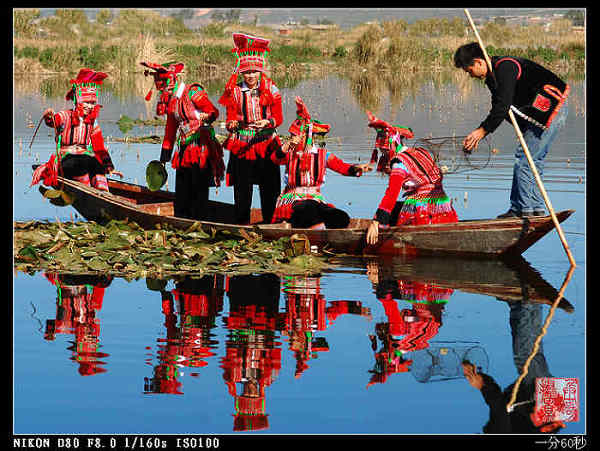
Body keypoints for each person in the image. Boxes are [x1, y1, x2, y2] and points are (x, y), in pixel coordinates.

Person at [454, 42, 570, 218]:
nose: (471, 76)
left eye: (469, 71)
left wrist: (483, 131)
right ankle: (535, 209)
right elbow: (500, 108)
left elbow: (503, 105)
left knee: (525, 160)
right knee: (532, 160)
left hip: (552, 110)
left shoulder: (505, 67)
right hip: (542, 116)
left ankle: (521, 210)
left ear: (478, 62)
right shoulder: (493, 79)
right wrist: (480, 130)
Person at [462, 301, 566, 434]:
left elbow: (499, 403)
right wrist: (482, 385)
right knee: (525, 357)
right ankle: (526, 303)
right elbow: (499, 410)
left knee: (533, 352)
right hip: (545, 407)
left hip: (552, 406)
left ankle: (530, 304)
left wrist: (483, 381)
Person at [271, 96, 371, 229]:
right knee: (309, 208)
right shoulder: (289, 152)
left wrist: (358, 168)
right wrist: (288, 144)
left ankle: (320, 227)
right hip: (293, 199)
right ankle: (314, 228)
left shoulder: (322, 155)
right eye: (294, 135)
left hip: (315, 198)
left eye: (300, 135)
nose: (297, 139)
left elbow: (343, 167)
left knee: (341, 217)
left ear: (309, 136)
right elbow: (275, 158)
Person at [141, 61, 224, 220]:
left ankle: (200, 220)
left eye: (166, 86)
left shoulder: (193, 92)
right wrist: (164, 159)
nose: (165, 90)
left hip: (201, 146)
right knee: (182, 188)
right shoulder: (172, 102)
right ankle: (182, 218)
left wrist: (209, 116)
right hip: (185, 148)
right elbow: (170, 131)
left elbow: (213, 111)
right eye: (163, 88)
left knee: (199, 187)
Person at [218, 33, 284, 225]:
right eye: (247, 72)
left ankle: (271, 225)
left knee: (270, 188)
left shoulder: (272, 89)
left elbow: (278, 118)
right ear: (242, 73)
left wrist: (268, 122)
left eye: (255, 72)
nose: (251, 76)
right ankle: (241, 224)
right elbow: (230, 117)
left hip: (266, 143)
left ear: (260, 71)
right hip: (242, 144)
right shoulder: (235, 92)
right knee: (242, 189)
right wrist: (231, 125)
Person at [365, 112, 458, 245]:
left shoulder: (399, 162)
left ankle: (381, 235)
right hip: (443, 207)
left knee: (387, 212)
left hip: (424, 212)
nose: (383, 154)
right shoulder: (420, 152)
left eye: (384, 151)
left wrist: (376, 221)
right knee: (395, 207)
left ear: (392, 145)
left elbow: (392, 193)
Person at [31, 68, 122, 191]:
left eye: (92, 103)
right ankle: (89, 192)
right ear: (78, 101)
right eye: (87, 102)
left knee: (96, 164)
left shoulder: (92, 122)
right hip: (66, 159)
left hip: (85, 158)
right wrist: (49, 117)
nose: (90, 106)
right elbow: (53, 122)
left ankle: (104, 193)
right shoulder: (65, 116)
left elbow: (99, 147)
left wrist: (109, 166)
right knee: (81, 164)